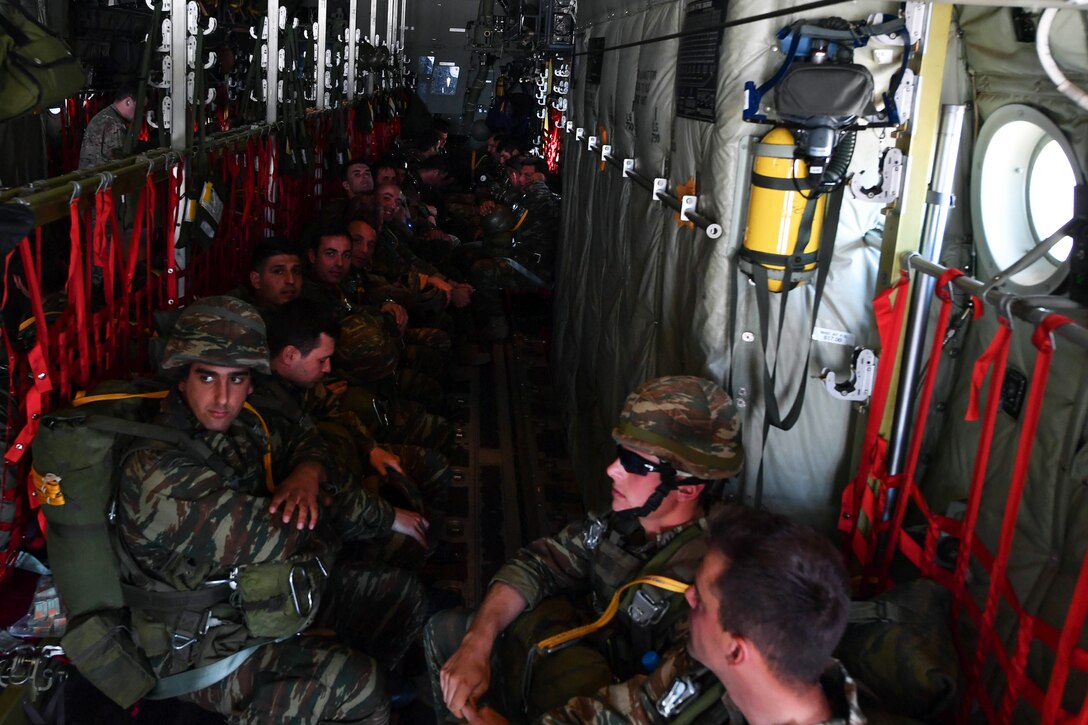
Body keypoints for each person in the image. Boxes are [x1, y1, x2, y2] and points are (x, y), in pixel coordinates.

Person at [118, 296, 422, 724]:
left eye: (237, 379)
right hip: (199, 646)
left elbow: (307, 439)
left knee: (400, 594)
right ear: (181, 379)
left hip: (255, 600)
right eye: (207, 376)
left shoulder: (238, 425)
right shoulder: (158, 473)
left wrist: (307, 473)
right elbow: (283, 537)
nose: (223, 397)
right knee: (360, 687)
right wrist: (321, 499)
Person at [425, 375, 744, 720]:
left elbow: (655, 710)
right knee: (449, 631)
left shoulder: (710, 587)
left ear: (687, 488)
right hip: (578, 658)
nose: (612, 470)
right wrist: (478, 641)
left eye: (637, 465)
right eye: (621, 454)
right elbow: (539, 563)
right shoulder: (621, 523)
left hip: (606, 703)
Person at [463, 506, 862, 725]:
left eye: (701, 602)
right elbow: (618, 714)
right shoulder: (702, 670)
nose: (687, 596)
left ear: (737, 651)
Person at [79, 83, 137, 169]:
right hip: (99, 179)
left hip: (89, 178)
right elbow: (120, 164)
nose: (141, 113)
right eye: (140, 107)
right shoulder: (114, 124)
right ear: (128, 102)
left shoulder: (105, 116)